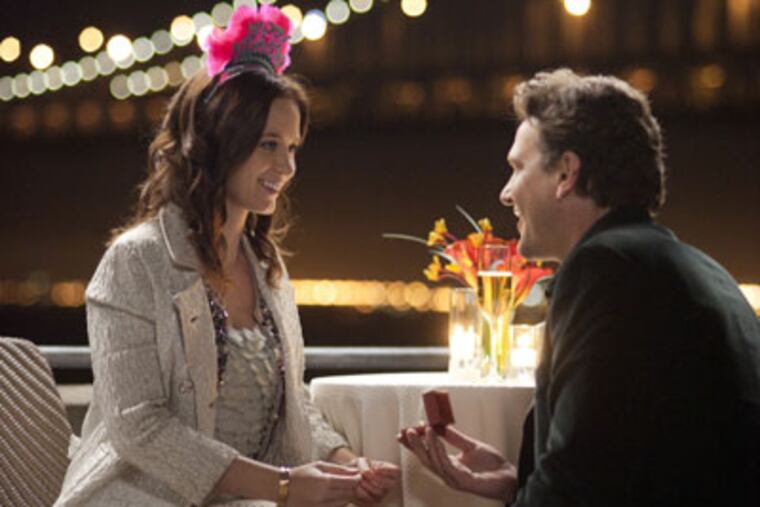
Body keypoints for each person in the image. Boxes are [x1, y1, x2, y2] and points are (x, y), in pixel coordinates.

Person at [56, 5, 398, 506]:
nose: (287, 166)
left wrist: (349, 465)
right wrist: (283, 486)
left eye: (293, 148)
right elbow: (140, 427)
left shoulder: (268, 269)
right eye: (268, 144)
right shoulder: (135, 262)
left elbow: (293, 405)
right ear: (218, 144)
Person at [402, 68, 760, 506]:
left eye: (518, 168)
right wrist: (517, 483)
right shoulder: (694, 269)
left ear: (566, 173)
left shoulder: (604, 271)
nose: (506, 193)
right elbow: (626, 459)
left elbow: (576, 487)